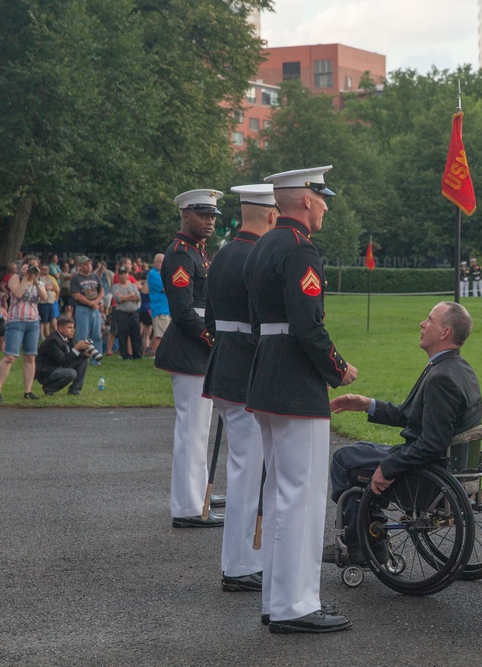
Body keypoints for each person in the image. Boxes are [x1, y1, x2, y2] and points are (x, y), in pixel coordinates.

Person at [244, 165, 357, 635]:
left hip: (268, 372)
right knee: (300, 494)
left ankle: (277, 598)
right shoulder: (298, 248)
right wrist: (338, 370)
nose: (326, 205)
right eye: (322, 197)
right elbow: (308, 325)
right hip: (294, 380)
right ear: (305, 200)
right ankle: (295, 605)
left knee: (277, 491)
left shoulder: (264, 244)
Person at [328, 301, 482, 560]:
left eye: (430, 320)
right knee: (358, 451)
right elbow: (410, 416)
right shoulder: (457, 367)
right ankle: (368, 533)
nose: (422, 324)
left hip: (424, 476)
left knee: (344, 460)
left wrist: (389, 467)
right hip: (439, 466)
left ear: (444, 332)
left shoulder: (441, 378)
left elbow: (432, 443)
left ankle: (361, 543)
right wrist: (366, 405)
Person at [202, 183, 278, 594]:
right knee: (249, 473)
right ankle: (240, 563)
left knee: (243, 469)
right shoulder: (257, 257)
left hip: (224, 365)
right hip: (248, 369)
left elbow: (212, 319)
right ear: (270, 215)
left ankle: (245, 557)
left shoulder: (223, 254)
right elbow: (260, 323)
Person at [155, 189, 222, 529]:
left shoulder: (198, 253)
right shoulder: (181, 255)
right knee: (192, 431)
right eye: (202, 214)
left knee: (198, 430)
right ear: (185, 214)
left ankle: (197, 496)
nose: (209, 220)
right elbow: (183, 312)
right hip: (191, 349)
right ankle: (187, 507)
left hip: (198, 350)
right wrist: (214, 340)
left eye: (212, 215)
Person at [0, 255, 48, 401]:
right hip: (16, 321)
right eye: (30, 265)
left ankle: (28, 391)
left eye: (35, 266)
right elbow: (17, 293)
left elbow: (44, 297)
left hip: (33, 322)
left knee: (30, 357)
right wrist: (24, 276)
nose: (33, 268)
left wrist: (35, 280)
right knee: (10, 356)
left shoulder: (39, 283)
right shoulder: (15, 278)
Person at [35, 315, 90, 395]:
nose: (72, 330)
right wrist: (76, 348)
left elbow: (71, 355)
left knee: (83, 359)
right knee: (71, 373)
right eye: (69, 328)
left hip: (57, 367)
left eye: (73, 327)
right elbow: (64, 361)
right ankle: (49, 388)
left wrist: (83, 353)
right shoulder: (53, 341)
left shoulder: (68, 337)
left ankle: (75, 390)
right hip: (46, 372)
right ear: (60, 328)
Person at [70, 256, 104, 365]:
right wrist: (90, 303)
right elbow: (76, 295)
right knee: (82, 335)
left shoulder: (95, 276)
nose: (89, 266)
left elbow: (101, 290)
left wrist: (97, 301)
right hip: (83, 309)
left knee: (97, 334)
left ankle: (96, 358)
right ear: (80, 266)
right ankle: (80, 358)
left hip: (95, 309)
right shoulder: (76, 278)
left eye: (90, 264)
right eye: (86, 264)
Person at [111, 267, 142, 359]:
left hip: (134, 312)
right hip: (122, 313)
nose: (123, 276)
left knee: (136, 334)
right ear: (118, 275)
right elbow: (119, 299)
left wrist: (125, 297)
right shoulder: (115, 287)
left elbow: (137, 297)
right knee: (123, 335)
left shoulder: (133, 286)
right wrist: (131, 295)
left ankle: (137, 354)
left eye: (125, 274)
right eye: (121, 274)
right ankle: (125, 354)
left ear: (128, 275)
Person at [148, 253, 170, 356]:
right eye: (161, 262)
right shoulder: (153, 274)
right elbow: (166, 288)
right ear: (155, 263)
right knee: (159, 336)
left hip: (166, 309)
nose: (163, 264)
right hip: (160, 309)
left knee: (164, 335)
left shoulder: (161, 273)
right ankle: (158, 360)